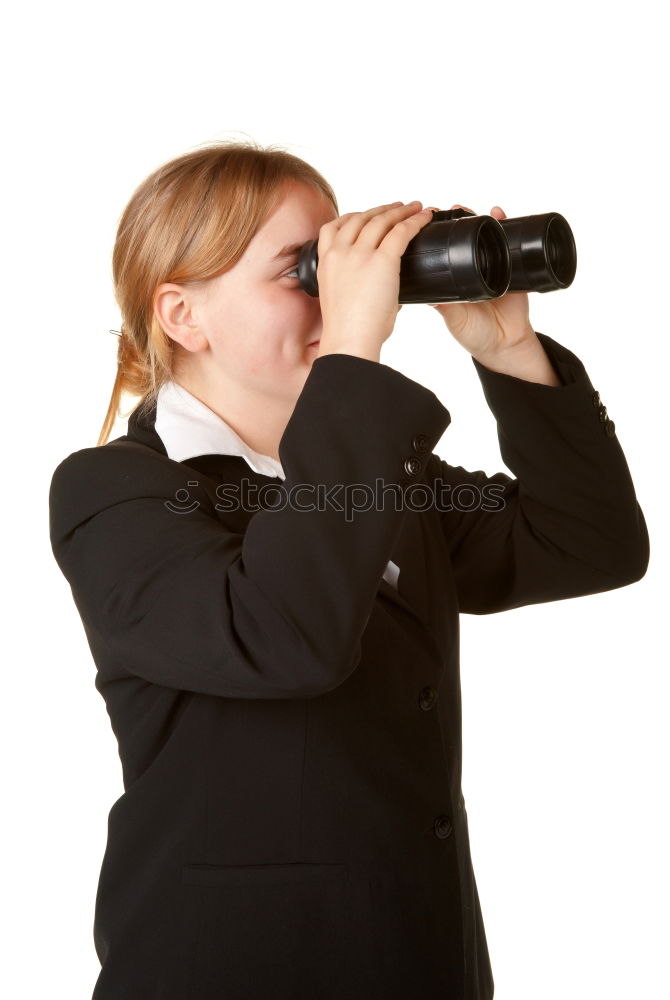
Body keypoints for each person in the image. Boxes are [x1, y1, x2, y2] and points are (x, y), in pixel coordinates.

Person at [48, 140, 649, 1000]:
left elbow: (590, 543)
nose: (340, 296)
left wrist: (508, 349)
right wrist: (354, 357)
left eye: (339, 263)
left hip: (420, 961)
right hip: (227, 972)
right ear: (183, 315)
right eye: (305, 271)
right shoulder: (116, 493)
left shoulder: (380, 477)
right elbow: (284, 638)